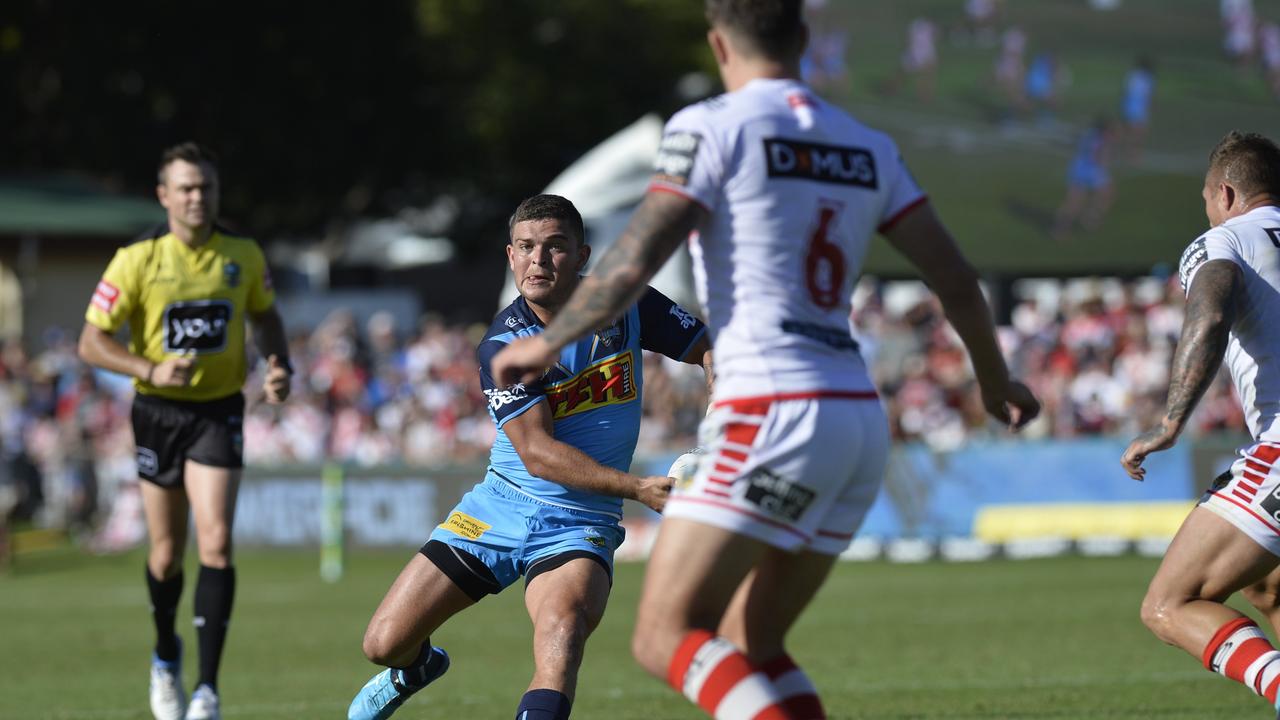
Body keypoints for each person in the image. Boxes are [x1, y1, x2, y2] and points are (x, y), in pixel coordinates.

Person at [490, 3, 1040, 717]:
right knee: (753, 643)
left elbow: (633, 259)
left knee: (664, 634)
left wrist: (544, 342)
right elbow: (957, 280)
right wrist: (994, 383)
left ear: (719, 44)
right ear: (805, 42)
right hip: (856, 421)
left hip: (771, 406)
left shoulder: (708, 127)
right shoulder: (867, 144)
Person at [346, 194, 711, 720]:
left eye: (555, 248)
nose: (538, 261)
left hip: (580, 523)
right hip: (499, 507)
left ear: (583, 257)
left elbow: (707, 345)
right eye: (526, 248)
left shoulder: (626, 302)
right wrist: (637, 488)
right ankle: (418, 667)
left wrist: (720, 424)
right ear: (510, 256)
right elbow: (538, 454)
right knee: (382, 644)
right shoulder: (504, 344)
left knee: (561, 636)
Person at [77, 142, 292, 720]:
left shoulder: (242, 254)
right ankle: (166, 654)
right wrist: (148, 368)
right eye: (188, 188)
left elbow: (265, 314)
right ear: (164, 196)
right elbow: (91, 341)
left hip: (219, 412)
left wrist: (278, 364)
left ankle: (207, 690)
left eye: (207, 188)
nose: (199, 197)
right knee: (167, 554)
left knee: (216, 541)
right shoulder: (136, 259)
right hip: (157, 414)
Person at [1123, 131, 1280, 717]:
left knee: (1168, 604)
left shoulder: (1225, 238)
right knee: (1267, 584)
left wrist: (1168, 423)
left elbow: (1209, 312)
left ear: (1227, 191)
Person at [1052, 117, 1117, 239]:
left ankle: (1061, 229)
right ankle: (1089, 218)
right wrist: (1107, 158)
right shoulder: (1102, 139)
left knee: (1073, 203)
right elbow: (1100, 158)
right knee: (1107, 194)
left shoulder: (1089, 133)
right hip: (1091, 170)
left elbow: (1077, 143)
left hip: (1077, 168)